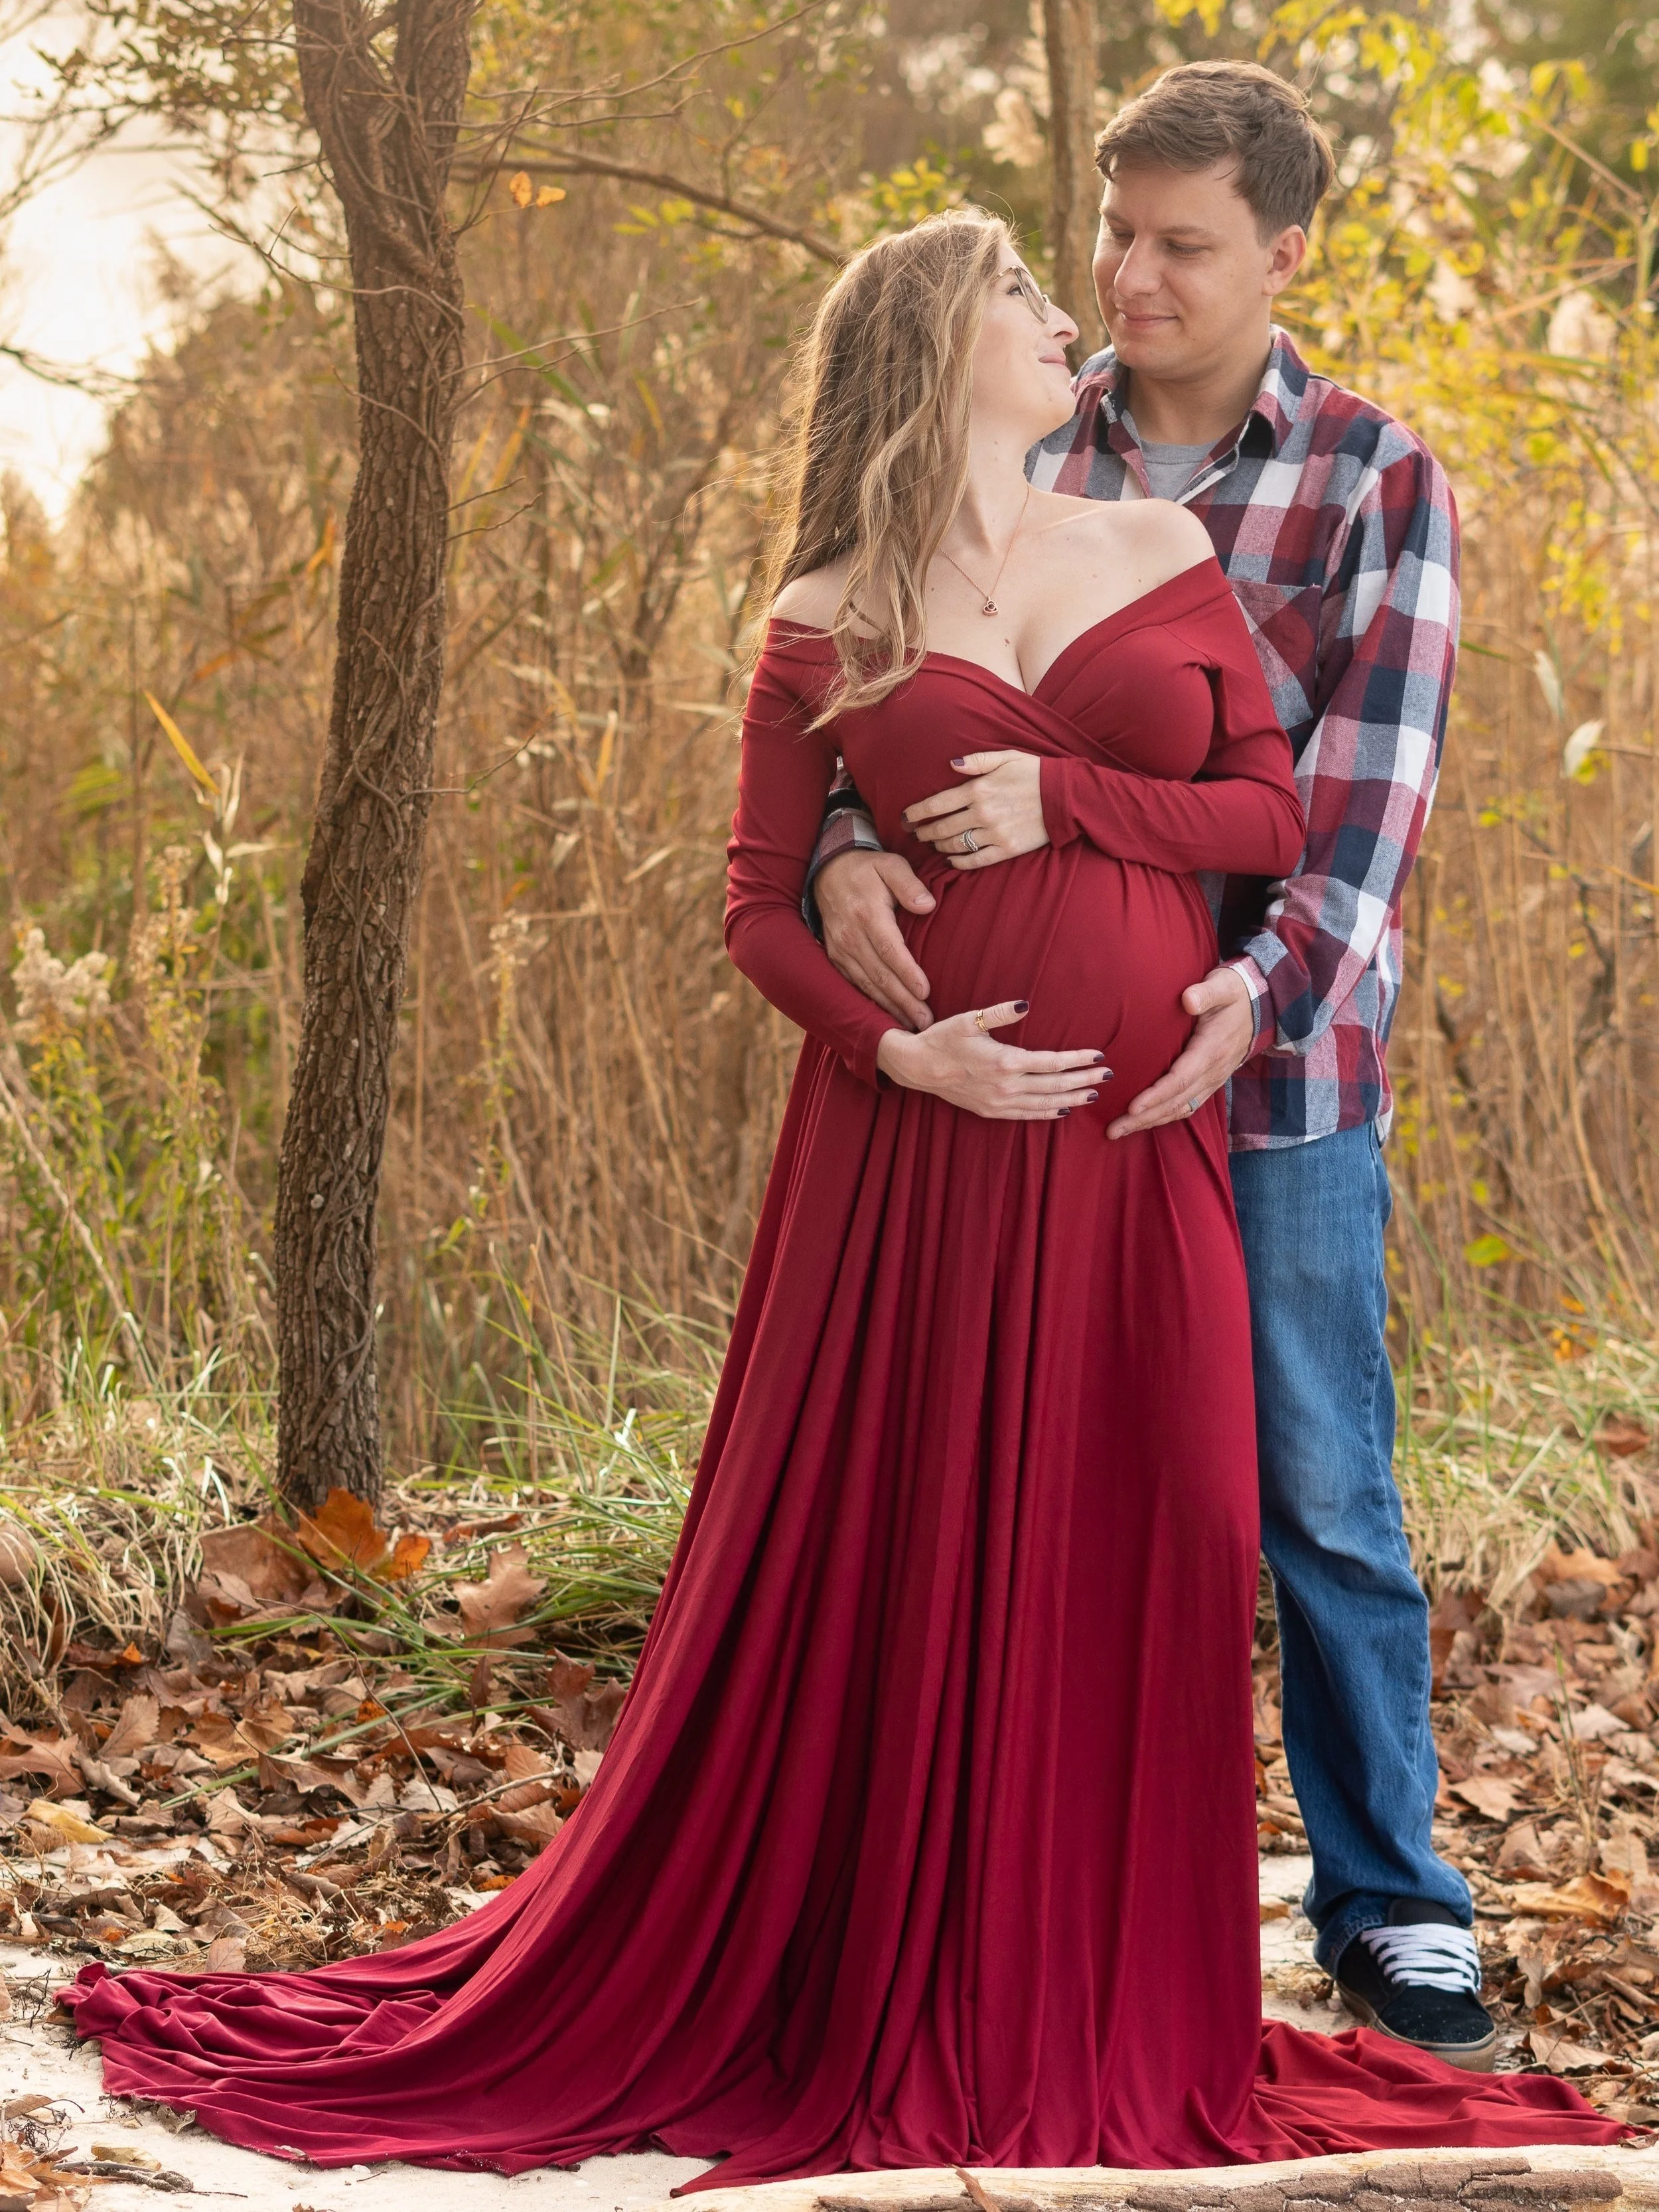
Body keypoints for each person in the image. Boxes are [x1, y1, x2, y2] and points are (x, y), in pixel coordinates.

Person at [63, 211, 1618, 2185]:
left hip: (1137, 1144)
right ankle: (897, 1954)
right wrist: (911, 1054)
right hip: (910, 1163)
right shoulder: (822, 611)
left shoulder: (1154, 550)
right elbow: (749, 898)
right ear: (924, 344)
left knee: (1176, 1497)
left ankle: (1104, 1981)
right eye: (1021, 301)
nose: (1068, 320)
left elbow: (1262, 815)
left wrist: (1073, 805)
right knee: (909, 1524)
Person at [810, 63, 1492, 2068]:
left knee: (1311, 1492)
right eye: (1114, 235)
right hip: (1027, 1088)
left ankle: (1392, 1912)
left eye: (1181, 245)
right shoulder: (1019, 430)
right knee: (1033, 1482)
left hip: (1266, 1081)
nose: (1129, 277)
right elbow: (870, 698)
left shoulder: (1374, 480)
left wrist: (1255, 994)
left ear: (1284, 255)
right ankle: (1013, 1902)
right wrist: (849, 850)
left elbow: (1364, 812)